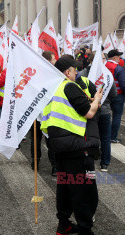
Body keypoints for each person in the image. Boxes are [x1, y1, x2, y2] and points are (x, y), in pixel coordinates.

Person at [40, 56, 103, 235]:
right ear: (68, 72)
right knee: (84, 189)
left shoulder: (54, 87)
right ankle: (85, 229)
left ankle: (64, 224)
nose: (77, 74)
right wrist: (97, 99)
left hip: (60, 145)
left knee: (66, 186)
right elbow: (89, 113)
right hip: (78, 146)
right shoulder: (70, 86)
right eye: (75, 71)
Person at [30, 51, 58, 176]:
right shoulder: (37, 74)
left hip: (48, 112)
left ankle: (54, 166)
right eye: (53, 59)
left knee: (50, 140)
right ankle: (35, 162)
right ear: (48, 60)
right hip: (37, 112)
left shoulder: (54, 74)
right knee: (36, 139)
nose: (55, 61)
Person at [105, 50, 125, 144]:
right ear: (114, 58)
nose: (120, 58)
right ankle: (113, 137)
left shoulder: (104, 66)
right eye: (119, 57)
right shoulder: (118, 68)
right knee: (117, 116)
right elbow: (124, 84)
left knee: (106, 115)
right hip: (118, 95)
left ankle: (105, 134)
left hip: (106, 95)